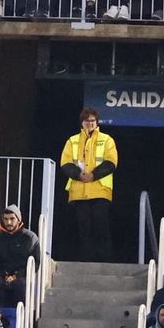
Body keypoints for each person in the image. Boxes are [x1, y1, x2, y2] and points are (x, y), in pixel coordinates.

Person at [58, 107, 117, 262]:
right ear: (82, 123)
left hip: (100, 190)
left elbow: (111, 162)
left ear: (97, 122)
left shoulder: (107, 139)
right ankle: (86, 261)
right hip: (79, 192)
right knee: (84, 229)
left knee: (101, 226)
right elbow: (65, 162)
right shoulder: (72, 140)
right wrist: (79, 174)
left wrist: (93, 175)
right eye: (87, 121)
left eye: (92, 121)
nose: (90, 123)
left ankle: (105, 261)